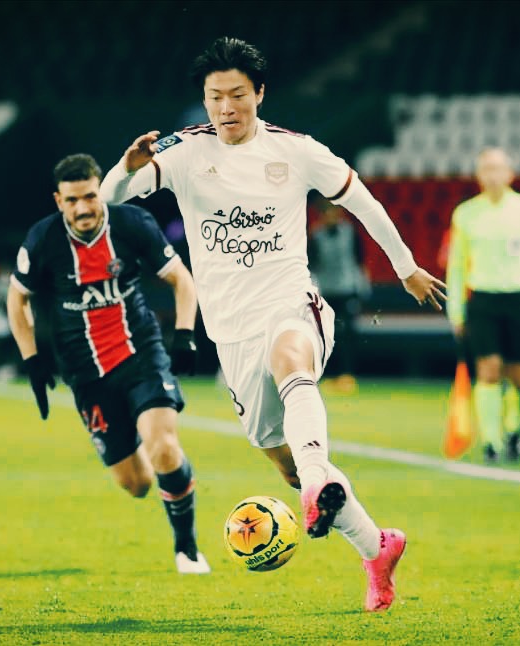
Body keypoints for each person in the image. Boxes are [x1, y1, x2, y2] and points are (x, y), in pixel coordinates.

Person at [100, 37, 445, 611]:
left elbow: (362, 201)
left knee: (292, 360)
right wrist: (125, 168)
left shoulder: (297, 150)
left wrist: (405, 268)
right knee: (282, 460)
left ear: (259, 93)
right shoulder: (184, 152)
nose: (226, 107)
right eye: (215, 97)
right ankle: (376, 547)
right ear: (205, 100)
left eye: (237, 94)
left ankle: (316, 478)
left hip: (290, 301)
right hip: (230, 331)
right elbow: (111, 199)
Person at [7, 153, 210, 574]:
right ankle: (164, 470)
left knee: (163, 447)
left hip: (140, 354)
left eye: (89, 196)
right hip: (86, 374)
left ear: (100, 192)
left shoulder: (132, 224)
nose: (83, 208)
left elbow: (180, 278)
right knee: (136, 484)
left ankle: (187, 548)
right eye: (72, 200)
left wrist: (185, 334)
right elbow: (17, 298)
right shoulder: (43, 239)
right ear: (58, 201)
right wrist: (32, 361)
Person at [446, 147, 520, 463]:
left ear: (510, 173)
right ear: (478, 175)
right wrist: (456, 309)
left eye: (497, 168)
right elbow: (457, 264)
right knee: (488, 370)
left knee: (516, 372)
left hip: (516, 298)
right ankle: (492, 440)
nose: (492, 175)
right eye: (486, 169)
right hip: (483, 299)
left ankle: (513, 429)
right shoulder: (466, 214)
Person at [308, 193, 371, 394]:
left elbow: (359, 261)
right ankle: (327, 375)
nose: (332, 216)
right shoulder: (315, 235)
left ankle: (347, 375)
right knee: (325, 334)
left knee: (347, 335)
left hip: (347, 289)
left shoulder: (350, 232)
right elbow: (312, 265)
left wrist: (362, 290)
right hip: (326, 291)